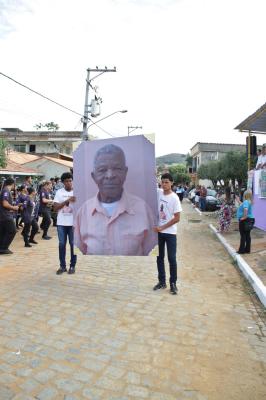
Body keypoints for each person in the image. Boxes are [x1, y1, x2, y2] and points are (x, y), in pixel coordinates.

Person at [75, 144, 156, 255]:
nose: (110, 175)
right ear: (94, 176)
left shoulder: (143, 209)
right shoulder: (83, 212)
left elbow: (151, 256)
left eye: (117, 168)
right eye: (102, 170)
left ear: (125, 172)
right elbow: (79, 257)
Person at [153, 173, 182, 295]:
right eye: (162, 182)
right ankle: (162, 281)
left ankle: (173, 283)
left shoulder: (174, 198)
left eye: (166, 182)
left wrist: (162, 227)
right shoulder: (159, 193)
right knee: (159, 258)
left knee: (171, 258)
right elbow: (147, 185)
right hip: (159, 233)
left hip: (170, 233)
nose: (164, 184)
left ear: (172, 183)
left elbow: (177, 218)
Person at [53, 172, 77, 274]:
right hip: (61, 223)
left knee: (73, 245)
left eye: (70, 180)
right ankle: (62, 266)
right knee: (62, 244)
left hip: (73, 224)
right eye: (66, 181)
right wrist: (67, 201)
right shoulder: (59, 192)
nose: (69, 183)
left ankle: (72, 266)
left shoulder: (77, 192)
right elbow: (55, 208)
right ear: (63, 182)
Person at [0, 177, 20, 254]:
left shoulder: (4, 190)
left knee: (3, 232)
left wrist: (11, 208)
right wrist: (13, 207)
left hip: (3, 215)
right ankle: (4, 248)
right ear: (12, 184)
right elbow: (5, 204)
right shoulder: (6, 191)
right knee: (12, 230)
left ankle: (1, 248)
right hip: (5, 216)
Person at [237, 189, 254, 254]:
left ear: (245, 195)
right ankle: (247, 250)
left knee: (243, 235)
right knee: (247, 235)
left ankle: (241, 250)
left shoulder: (246, 202)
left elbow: (245, 209)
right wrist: (238, 201)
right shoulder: (249, 201)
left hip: (245, 220)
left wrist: (244, 217)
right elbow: (243, 205)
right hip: (250, 220)